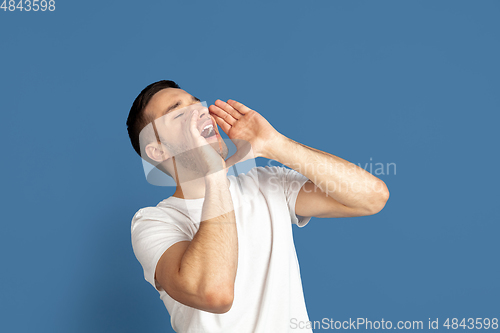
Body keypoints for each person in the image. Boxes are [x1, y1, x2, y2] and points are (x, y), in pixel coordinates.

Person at [126, 80, 390, 333]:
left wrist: (275, 145)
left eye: (196, 104)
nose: (199, 112)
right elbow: (215, 294)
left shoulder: (265, 184)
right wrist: (214, 175)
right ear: (158, 151)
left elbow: (372, 197)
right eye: (178, 114)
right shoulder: (154, 223)